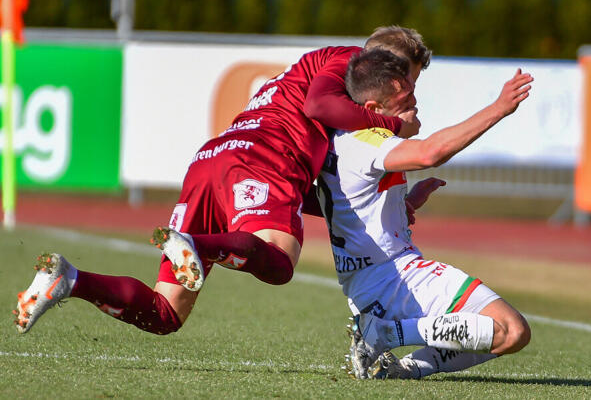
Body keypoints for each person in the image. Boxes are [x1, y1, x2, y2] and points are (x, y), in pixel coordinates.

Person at [13, 26, 432, 335]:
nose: (409, 97)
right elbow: (319, 104)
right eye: (407, 83)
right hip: (265, 157)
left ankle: (68, 280)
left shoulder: (337, 96)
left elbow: (322, 189)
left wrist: (390, 205)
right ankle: (196, 246)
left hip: (215, 160)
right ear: (387, 67)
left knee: (165, 313)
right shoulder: (345, 62)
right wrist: (391, 124)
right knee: (280, 261)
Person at [316, 49, 533, 379]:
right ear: (373, 109)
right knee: (511, 331)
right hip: (393, 276)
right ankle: (382, 335)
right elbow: (431, 152)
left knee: (510, 334)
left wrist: (405, 204)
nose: (415, 106)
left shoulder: (340, 140)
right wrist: (499, 107)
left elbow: (354, 202)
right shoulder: (365, 139)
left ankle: (398, 370)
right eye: (404, 100)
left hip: (368, 280)